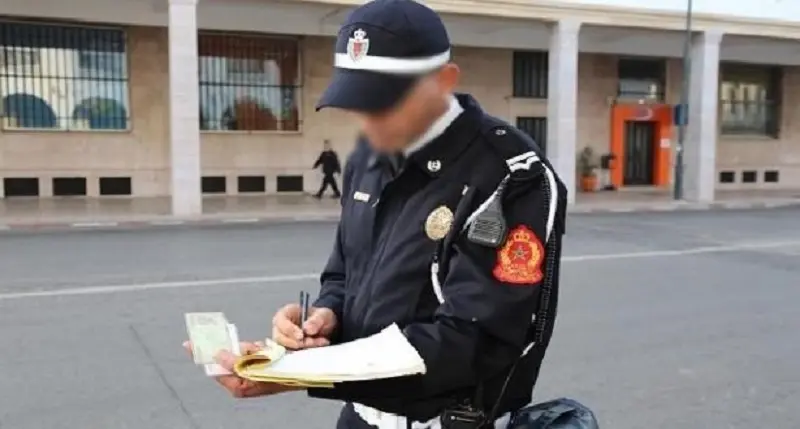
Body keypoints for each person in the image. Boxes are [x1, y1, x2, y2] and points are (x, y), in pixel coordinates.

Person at [185, 0, 568, 428]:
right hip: (359, 417)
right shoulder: (367, 158)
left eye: (388, 102)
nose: (371, 121)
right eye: (360, 103)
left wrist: (299, 374)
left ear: (444, 82)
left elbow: (474, 338)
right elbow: (343, 274)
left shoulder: (508, 174)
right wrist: (323, 318)